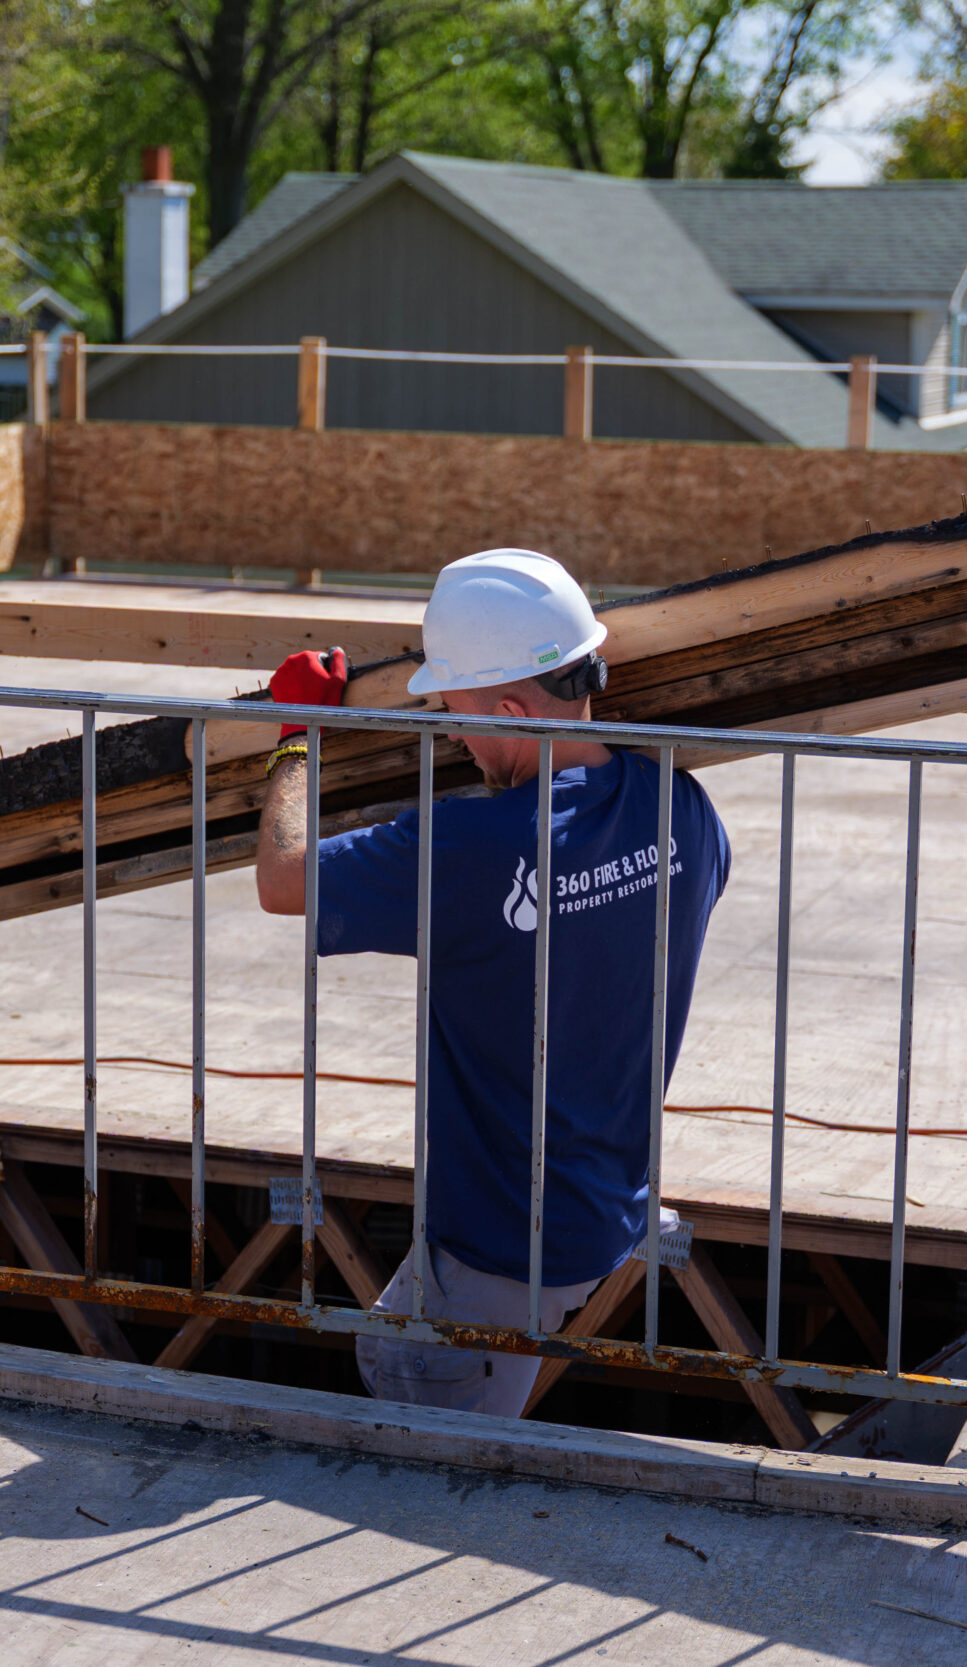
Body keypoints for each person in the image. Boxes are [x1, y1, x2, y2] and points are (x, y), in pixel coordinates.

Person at [254, 547, 731, 1416]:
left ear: (513, 707)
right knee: (380, 1345)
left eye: (455, 714)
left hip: (503, 1249)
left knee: (427, 1448)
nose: (456, 738)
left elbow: (284, 879)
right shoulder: (684, 812)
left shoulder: (468, 851)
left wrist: (296, 735)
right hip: (605, 1208)